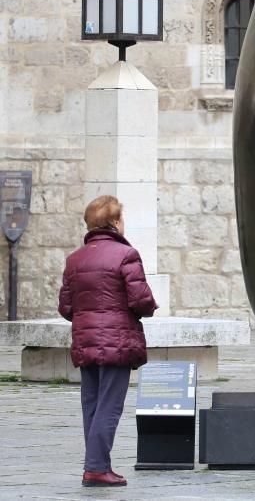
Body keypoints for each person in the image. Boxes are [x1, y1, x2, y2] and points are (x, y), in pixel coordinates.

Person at [58, 195, 157, 488]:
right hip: (117, 342)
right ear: (114, 222)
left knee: (92, 405)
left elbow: (65, 307)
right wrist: (148, 308)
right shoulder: (126, 255)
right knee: (109, 406)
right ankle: (96, 468)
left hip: (85, 341)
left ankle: (97, 465)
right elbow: (142, 301)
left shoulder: (75, 259)